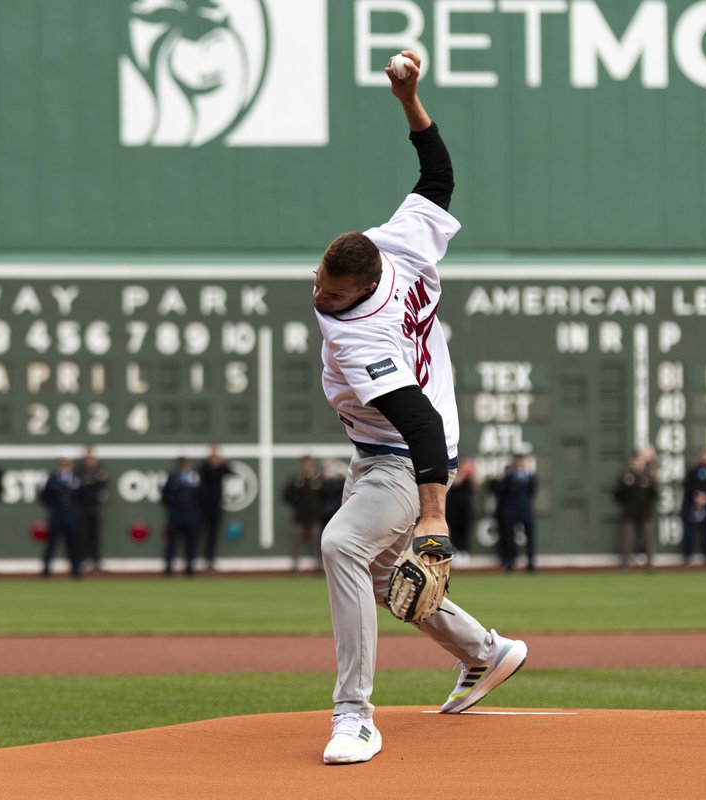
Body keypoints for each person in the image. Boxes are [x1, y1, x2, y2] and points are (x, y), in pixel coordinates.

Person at [312, 52, 526, 766]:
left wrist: (433, 516)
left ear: (362, 288)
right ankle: (484, 651)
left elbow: (420, 425)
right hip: (385, 445)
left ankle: (354, 717)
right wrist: (410, 99)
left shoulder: (359, 339)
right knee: (379, 576)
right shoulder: (393, 245)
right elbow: (438, 177)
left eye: (333, 292)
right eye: (320, 280)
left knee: (342, 546)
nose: (320, 295)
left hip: (405, 457)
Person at [491, 454, 538, 573]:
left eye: (523, 461)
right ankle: (510, 562)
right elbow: (499, 490)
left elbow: (531, 492)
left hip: (525, 509)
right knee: (508, 536)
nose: (521, 463)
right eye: (520, 461)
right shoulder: (508, 476)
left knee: (530, 535)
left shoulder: (530, 477)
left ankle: (531, 562)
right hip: (510, 509)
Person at [613, 448, 658, 572]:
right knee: (627, 541)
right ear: (631, 462)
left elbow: (654, 494)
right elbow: (617, 495)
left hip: (645, 513)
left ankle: (649, 564)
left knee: (648, 540)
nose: (637, 464)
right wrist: (627, 505)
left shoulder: (647, 478)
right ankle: (625, 564)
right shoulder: (626, 478)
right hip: (629, 513)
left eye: (640, 461)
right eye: (635, 461)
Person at [40, 456, 83, 579]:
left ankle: (76, 570)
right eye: (62, 465)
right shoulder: (52, 479)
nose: (64, 468)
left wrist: (74, 508)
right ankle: (46, 570)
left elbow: (82, 496)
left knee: (73, 545)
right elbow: (44, 496)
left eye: (66, 465)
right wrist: (54, 506)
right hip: (56, 517)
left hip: (71, 517)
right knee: (51, 545)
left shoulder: (76, 478)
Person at [161, 456, 202, 577]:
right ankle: (168, 567)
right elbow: (165, 496)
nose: (184, 466)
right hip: (176, 515)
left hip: (191, 515)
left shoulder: (194, 477)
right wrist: (173, 507)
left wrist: (196, 511)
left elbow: (201, 496)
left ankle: (190, 568)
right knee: (172, 543)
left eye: (185, 464)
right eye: (182, 464)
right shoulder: (172, 477)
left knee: (191, 543)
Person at [283, 455, 324, 573]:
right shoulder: (297, 478)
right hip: (300, 516)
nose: (306, 465)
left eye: (308, 462)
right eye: (305, 463)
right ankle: (295, 567)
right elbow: (287, 495)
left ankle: (319, 566)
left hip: (315, 515)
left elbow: (323, 495)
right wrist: (297, 503)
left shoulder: (317, 478)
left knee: (317, 543)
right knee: (297, 543)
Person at [681, 448, 706, 566]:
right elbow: (687, 486)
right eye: (704, 455)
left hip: (705, 506)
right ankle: (687, 556)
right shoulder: (692, 471)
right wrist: (696, 497)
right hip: (691, 505)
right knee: (689, 532)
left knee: (705, 532)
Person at [198, 445, 232, 571]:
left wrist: (222, 461)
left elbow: (229, 471)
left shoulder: (221, 468)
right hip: (204, 506)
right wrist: (210, 463)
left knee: (213, 534)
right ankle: (194, 559)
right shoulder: (204, 467)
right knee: (199, 533)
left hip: (216, 506)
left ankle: (210, 560)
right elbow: (202, 473)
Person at [78, 447, 110, 574]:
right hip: (82, 506)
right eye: (87, 458)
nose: (89, 460)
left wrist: (90, 481)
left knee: (95, 534)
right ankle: (83, 560)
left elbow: (103, 482)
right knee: (82, 535)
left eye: (91, 458)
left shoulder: (99, 470)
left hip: (94, 506)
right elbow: (79, 486)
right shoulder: (79, 471)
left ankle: (96, 561)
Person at [444, 458, 476, 565]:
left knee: (465, 532)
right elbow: (455, 484)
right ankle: (456, 553)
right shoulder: (453, 474)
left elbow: (476, 485)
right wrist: (463, 473)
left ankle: (465, 553)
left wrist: (472, 473)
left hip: (465, 509)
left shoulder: (470, 477)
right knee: (454, 532)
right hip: (453, 509)